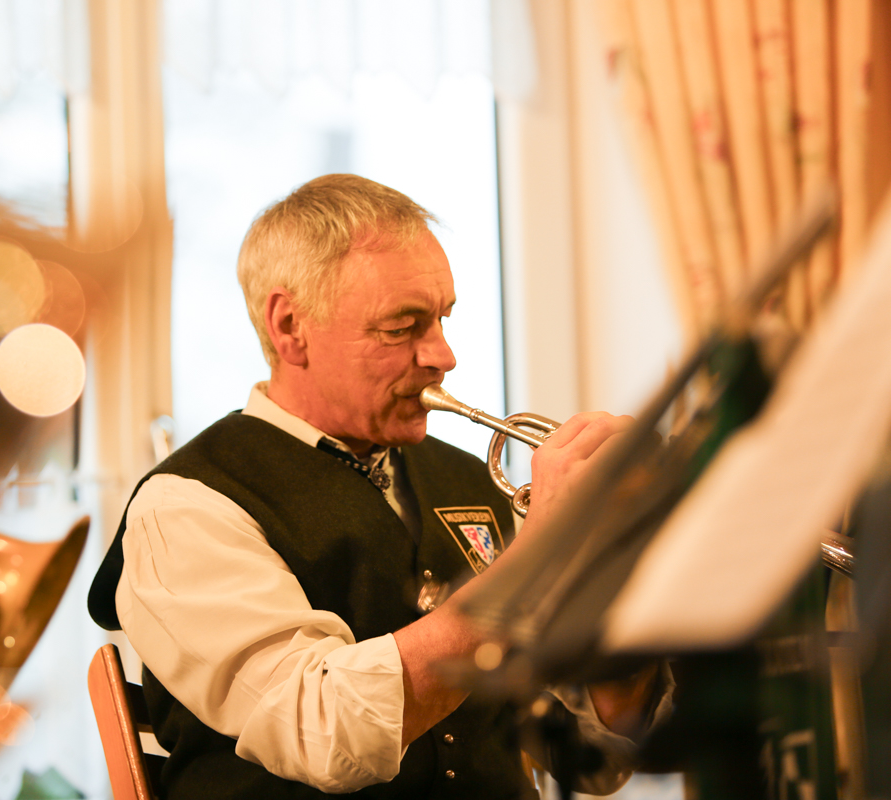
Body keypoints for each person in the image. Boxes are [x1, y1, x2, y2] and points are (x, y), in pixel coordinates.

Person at [88, 174, 668, 798]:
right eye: (402, 327)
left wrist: (620, 585)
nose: (443, 355)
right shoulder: (186, 507)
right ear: (290, 327)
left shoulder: (466, 478)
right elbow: (322, 731)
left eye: (441, 319)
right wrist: (535, 558)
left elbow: (590, 759)